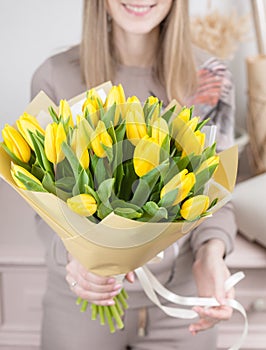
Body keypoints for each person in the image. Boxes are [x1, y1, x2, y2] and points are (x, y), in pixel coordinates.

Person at [31, 1, 237, 349]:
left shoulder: (209, 77)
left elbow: (217, 191)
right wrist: (76, 258)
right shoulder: (54, 75)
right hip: (82, 302)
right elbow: (42, 200)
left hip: (181, 301)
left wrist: (211, 255)